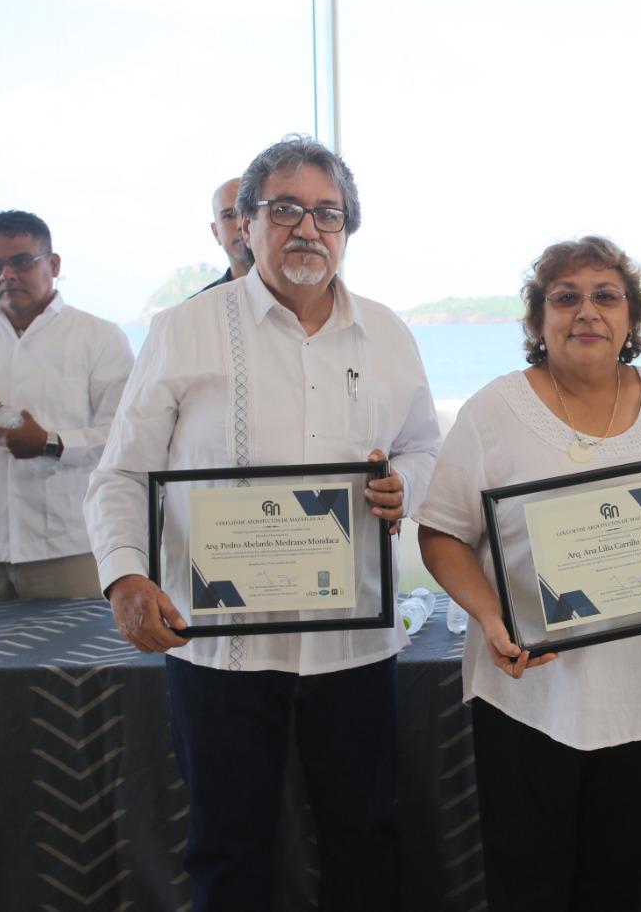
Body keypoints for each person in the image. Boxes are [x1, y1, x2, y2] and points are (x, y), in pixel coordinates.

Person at [84, 136, 440, 911]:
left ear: (348, 230)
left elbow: (425, 446)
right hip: (220, 648)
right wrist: (124, 574)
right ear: (245, 224)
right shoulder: (185, 330)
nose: (307, 228)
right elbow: (122, 472)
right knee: (228, 847)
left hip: (353, 641)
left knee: (365, 835)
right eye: (284, 210)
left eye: (327, 213)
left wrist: (405, 483)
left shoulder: (388, 333)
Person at [414, 236, 641, 911]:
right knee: (528, 884)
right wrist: (490, 619)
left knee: (618, 882)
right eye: (565, 297)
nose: (586, 312)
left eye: (606, 296)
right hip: (531, 692)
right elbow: (442, 533)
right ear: (538, 321)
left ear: (632, 319)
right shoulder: (493, 410)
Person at [0, 210, 133, 599]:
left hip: (66, 546)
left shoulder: (99, 338)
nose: (6, 275)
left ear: (53, 264)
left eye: (21, 262)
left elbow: (123, 437)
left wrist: (49, 441)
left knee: (78, 659)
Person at [196, 177, 251, 294]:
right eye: (229, 215)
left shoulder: (297, 294)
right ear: (215, 232)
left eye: (248, 211)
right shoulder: (200, 308)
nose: (241, 224)